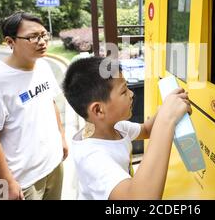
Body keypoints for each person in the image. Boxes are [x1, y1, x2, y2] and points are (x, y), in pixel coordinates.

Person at [62, 56, 191, 199]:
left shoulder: (117, 127)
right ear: (98, 110)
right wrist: (167, 119)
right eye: (124, 91)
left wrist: (169, 105)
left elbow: (147, 129)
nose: (131, 94)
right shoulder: (92, 158)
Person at [0, 11, 68, 200]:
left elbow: (51, 103)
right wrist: (5, 181)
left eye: (43, 35)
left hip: (54, 165)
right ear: (10, 42)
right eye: (33, 37)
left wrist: (62, 138)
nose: (42, 42)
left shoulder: (43, 65)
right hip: (22, 179)